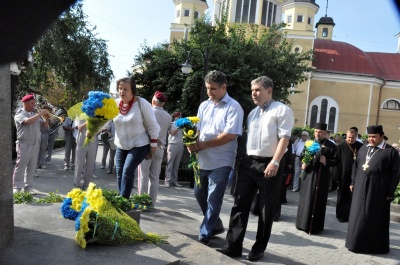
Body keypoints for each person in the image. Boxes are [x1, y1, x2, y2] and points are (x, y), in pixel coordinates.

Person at [217, 76, 293, 262]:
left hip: (270, 163)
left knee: (266, 209)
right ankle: (233, 246)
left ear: (269, 90)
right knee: (239, 204)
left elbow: (284, 139)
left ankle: (258, 249)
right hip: (249, 163)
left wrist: (275, 162)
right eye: (252, 90)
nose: (254, 93)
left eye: (258, 90)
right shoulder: (252, 113)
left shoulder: (282, 110)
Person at [187, 70, 244, 246]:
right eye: (207, 88)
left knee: (213, 197)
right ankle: (216, 223)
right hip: (203, 158)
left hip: (222, 160)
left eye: (213, 89)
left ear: (223, 87)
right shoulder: (204, 105)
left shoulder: (234, 107)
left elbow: (230, 135)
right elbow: (198, 129)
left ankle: (205, 233)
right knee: (199, 193)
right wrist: (192, 142)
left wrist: (204, 144)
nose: (209, 93)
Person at [346, 125, 400, 254]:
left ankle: (373, 246)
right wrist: (353, 181)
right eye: (369, 136)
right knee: (357, 216)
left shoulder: (390, 151)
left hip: (378, 191)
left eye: (374, 137)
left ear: (381, 136)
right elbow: (356, 166)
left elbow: (396, 173)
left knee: (373, 218)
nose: (371, 139)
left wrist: (390, 192)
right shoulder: (363, 148)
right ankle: (355, 242)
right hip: (359, 187)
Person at [113, 77, 160, 199]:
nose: (122, 92)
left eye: (125, 89)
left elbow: (152, 124)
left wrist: (154, 143)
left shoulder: (141, 103)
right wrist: (91, 129)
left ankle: (124, 200)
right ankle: (121, 199)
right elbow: (104, 120)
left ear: (132, 90)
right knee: (119, 172)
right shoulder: (115, 104)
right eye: (120, 89)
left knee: (128, 170)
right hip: (121, 144)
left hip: (139, 144)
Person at [295, 122, 338, 234]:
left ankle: (315, 226)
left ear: (325, 133)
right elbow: (302, 157)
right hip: (308, 175)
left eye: (320, 132)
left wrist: (326, 161)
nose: (317, 134)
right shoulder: (309, 143)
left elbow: (336, 161)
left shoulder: (331, 146)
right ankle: (301, 223)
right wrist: (302, 164)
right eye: (315, 132)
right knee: (305, 199)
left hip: (321, 177)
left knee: (317, 200)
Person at [138, 91, 171, 206]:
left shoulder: (148, 112)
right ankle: (152, 203)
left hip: (147, 146)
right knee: (155, 177)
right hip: (160, 148)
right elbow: (171, 131)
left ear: (153, 101)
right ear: (163, 103)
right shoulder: (168, 116)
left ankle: (141, 201)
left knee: (143, 176)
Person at [12, 93, 49, 194]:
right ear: (26, 103)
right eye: (32, 103)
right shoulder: (20, 113)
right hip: (24, 143)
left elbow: (45, 126)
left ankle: (28, 187)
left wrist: (47, 118)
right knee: (21, 166)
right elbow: (27, 122)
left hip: (35, 144)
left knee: (32, 167)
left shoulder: (34, 114)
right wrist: (40, 114)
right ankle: (17, 186)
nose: (34, 105)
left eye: (34, 103)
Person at [335, 128, 363, 223]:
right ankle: (341, 215)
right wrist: (337, 177)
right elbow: (337, 162)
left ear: (356, 136)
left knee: (353, 196)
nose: (350, 139)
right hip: (343, 174)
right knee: (342, 195)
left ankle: (352, 215)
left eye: (353, 138)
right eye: (349, 137)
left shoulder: (360, 146)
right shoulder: (341, 146)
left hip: (356, 176)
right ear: (346, 136)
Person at [73, 117, 98, 190]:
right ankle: (77, 184)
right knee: (79, 164)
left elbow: (98, 129)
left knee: (90, 165)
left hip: (92, 141)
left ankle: (87, 184)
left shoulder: (96, 116)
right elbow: (80, 128)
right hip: (81, 141)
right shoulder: (80, 116)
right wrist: (89, 121)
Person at [165, 111, 184, 188]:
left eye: (181, 116)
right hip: (172, 144)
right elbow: (172, 133)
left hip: (180, 145)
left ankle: (174, 181)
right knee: (170, 164)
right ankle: (167, 181)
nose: (180, 117)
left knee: (176, 164)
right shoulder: (171, 124)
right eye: (179, 116)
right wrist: (178, 127)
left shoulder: (183, 126)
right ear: (176, 117)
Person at [37, 105, 53, 169]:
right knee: (37, 149)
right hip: (38, 133)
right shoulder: (38, 116)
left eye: (48, 110)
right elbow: (43, 125)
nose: (47, 111)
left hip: (45, 134)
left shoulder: (48, 117)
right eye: (46, 110)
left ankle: (41, 163)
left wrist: (48, 118)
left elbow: (50, 125)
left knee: (43, 149)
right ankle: (36, 164)